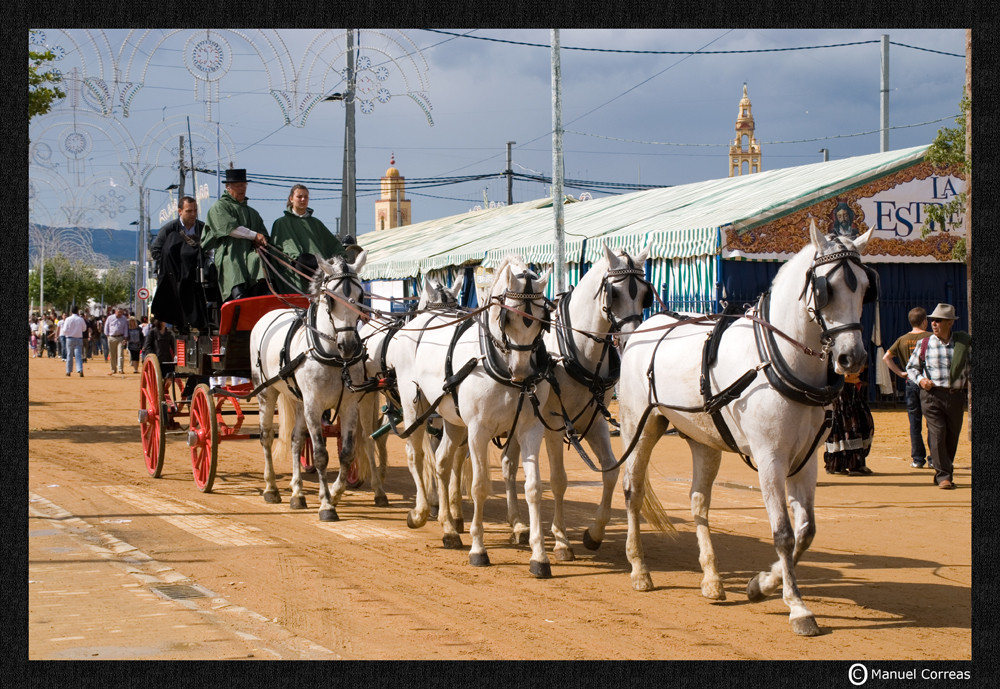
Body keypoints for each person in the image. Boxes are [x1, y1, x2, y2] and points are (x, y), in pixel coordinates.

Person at [905, 303, 970, 490]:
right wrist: (921, 380)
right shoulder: (924, 343)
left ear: (950, 323)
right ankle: (944, 475)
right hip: (931, 395)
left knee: (952, 437)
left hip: (955, 397)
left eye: (938, 321)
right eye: (933, 320)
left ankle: (942, 471)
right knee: (938, 434)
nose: (934, 324)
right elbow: (911, 368)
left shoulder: (963, 345)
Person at [202, 168, 271, 302]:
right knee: (232, 266)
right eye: (238, 185)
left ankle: (260, 294)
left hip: (249, 252)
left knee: (258, 260)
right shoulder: (219, 207)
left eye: (244, 185)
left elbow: (264, 234)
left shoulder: (252, 212)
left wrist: (261, 240)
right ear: (228, 187)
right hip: (229, 252)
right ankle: (238, 296)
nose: (242, 188)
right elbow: (230, 229)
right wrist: (254, 236)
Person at [269, 184, 347, 293]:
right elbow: (276, 249)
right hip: (294, 272)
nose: (303, 199)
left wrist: (343, 255)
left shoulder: (316, 223)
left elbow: (331, 244)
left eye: (306, 197)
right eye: (299, 196)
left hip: (318, 269)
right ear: (291, 199)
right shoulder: (281, 223)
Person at [883, 307, 933, 468]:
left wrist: (900, 373)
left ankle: (918, 459)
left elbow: (886, 357)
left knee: (914, 422)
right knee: (933, 421)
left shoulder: (902, 339)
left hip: (910, 382)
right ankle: (934, 458)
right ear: (925, 321)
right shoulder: (931, 337)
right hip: (928, 383)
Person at [823, 366, 875, 476]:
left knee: (843, 425)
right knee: (850, 425)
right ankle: (851, 464)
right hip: (842, 394)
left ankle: (839, 464)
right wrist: (853, 374)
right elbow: (846, 376)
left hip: (845, 393)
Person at [150, 196, 205, 276]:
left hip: (196, 275)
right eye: (189, 211)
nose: (193, 214)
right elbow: (155, 251)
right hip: (174, 276)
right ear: (180, 211)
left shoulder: (203, 228)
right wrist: (170, 264)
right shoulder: (169, 230)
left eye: (195, 210)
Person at [61, 305, 87, 377]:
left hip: (70, 338)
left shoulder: (68, 319)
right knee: (78, 355)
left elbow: (65, 330)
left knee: (69, 354)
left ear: (71, 311)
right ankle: (80, 369)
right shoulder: (81, 319)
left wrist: (68, 333)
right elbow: (84, 329)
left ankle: (68, 371)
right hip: (79, 338)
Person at [105, 307, 129, 374]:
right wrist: (107, 335)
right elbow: (106, 326)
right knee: (112, 354)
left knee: (120, 353)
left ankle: (120, 369)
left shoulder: (124, 319)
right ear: (115, 312)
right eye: (119, 312)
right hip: (111, 337)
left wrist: (125, 338)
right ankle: (113, 369)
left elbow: (125, 328)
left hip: (120, 338)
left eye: (121, 312)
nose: (120, 314)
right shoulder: (110, 318)